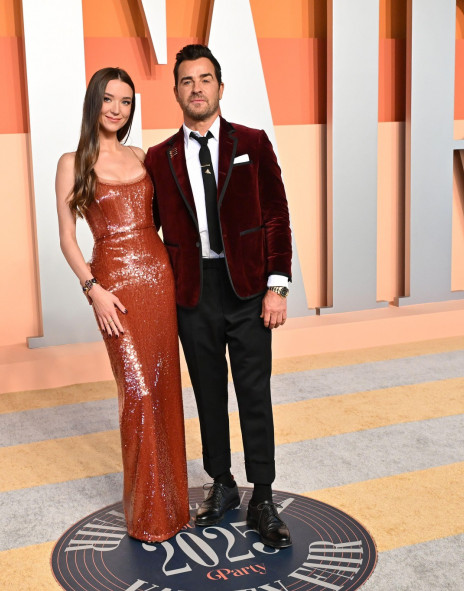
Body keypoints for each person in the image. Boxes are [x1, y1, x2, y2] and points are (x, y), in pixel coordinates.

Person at [145, 45, 292, 549]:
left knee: (255, 394)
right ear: (177, 92)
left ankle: (264, 495)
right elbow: (148, 232)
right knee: (208, 394)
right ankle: (223, 484)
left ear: (220, 88)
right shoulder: (158, 158)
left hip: (249, 289)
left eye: (205, 79)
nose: (197, 89)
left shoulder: (252, 142)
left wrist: (277, 285)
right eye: (187, 81)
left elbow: (276, 216)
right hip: (193, 293)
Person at [56, 67, 189, 542]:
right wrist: (92, 289)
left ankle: (174, 506)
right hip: (112, 285)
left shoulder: (140, 155)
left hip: (158, 278)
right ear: (94, 102)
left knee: (165, 386)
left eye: (126, 102)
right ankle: (148, 515)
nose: (117, 109)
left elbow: (165, 219)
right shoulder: (72, 162)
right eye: (109, 99)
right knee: (138, 392)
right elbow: (67, 238)